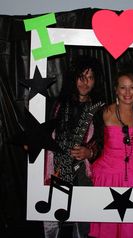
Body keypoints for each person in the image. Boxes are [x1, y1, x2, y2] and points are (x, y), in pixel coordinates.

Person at [89, 65, 133, 238]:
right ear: (116, 90)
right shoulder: (104, 112)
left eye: (132, 87)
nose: (128, 92)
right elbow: (91, 140)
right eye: (123, 87)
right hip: (107, 177)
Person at [43, 55, 105, 238]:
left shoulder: (99, 108)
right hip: (56, 171)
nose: (85, 83)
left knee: (83, 224)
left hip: (82, 175)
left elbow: (103, 141)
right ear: (73, 78)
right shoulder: (56, 105)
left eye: (90, 77)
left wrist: (90, 151)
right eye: (81, 77)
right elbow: (41, 134)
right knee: (55, 223)